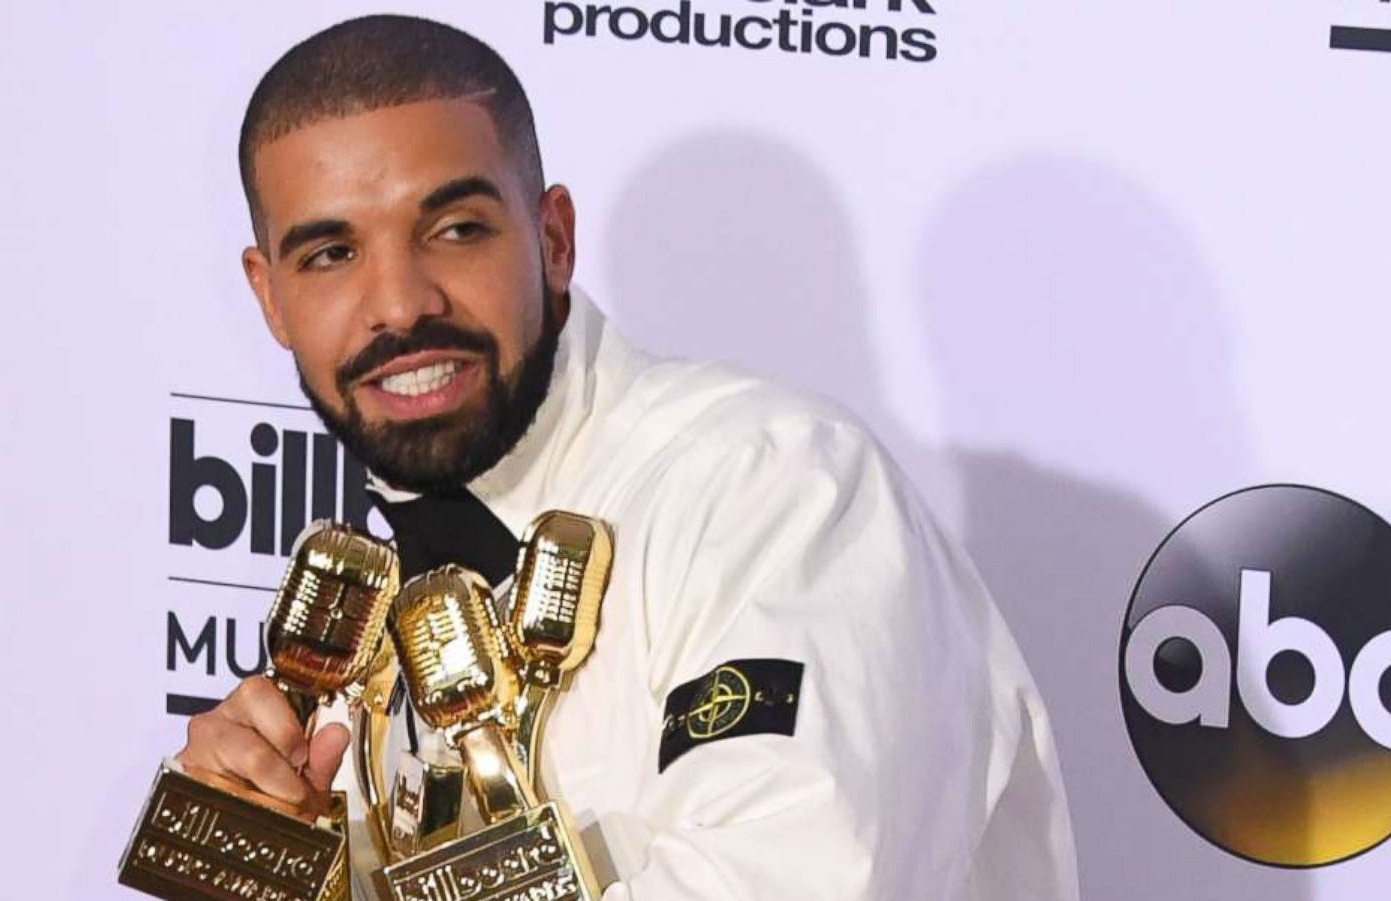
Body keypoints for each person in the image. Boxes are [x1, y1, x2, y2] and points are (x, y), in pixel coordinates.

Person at [176, 13, 1079, 900]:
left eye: (455, 229)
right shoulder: (351, 642)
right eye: (332, 253)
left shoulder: (772, 486)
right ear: (272, 299)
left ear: (553, 240)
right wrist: (274, 848)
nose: (401, 305)